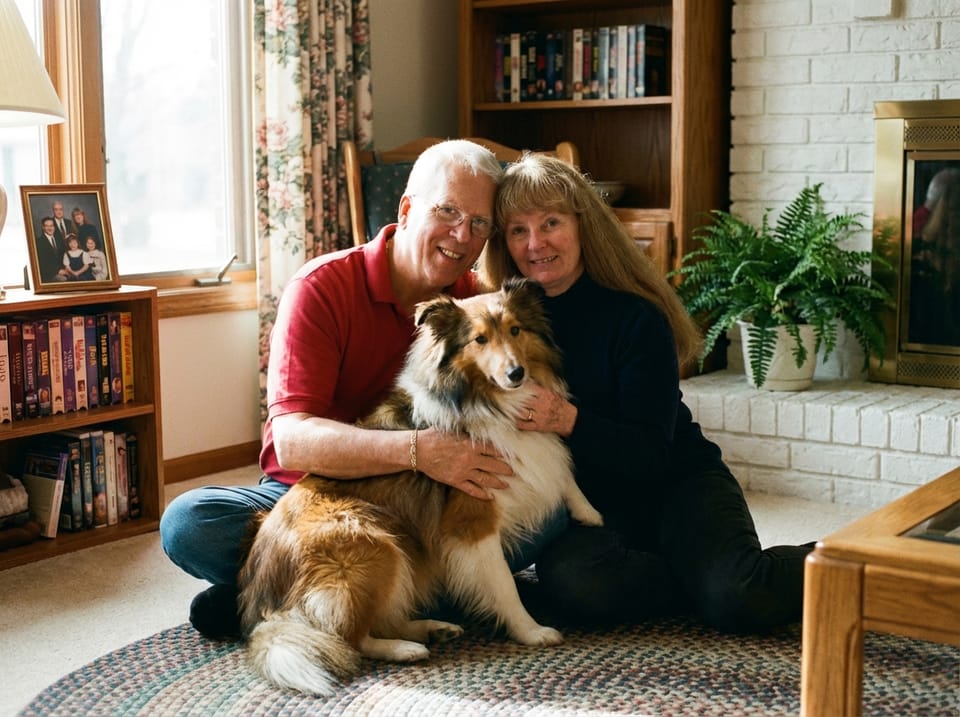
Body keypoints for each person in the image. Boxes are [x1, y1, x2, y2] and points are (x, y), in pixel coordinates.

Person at [160, 139, 519, 640]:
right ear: (407, 208)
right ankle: (340, 595)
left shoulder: (476, 305)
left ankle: (289, 600)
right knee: (189, 523)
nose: (462, 235)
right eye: (448, 211)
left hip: (419, 507)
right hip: (312, 497)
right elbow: (293, 441)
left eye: (480, 223)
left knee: (537, 524)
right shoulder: (322, 288)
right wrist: (418, 451)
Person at [478, 153, 814, 635]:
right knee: (574, 585)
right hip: (596, 504)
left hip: (676, 483)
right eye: (518, 230)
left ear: (582, 224)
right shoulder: (493, 323)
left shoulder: (636, 317)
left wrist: (569, 419)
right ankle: (696, 578)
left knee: (739, 597)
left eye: (551, 222)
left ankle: (847, 559)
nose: (536, 243)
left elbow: (651, 454)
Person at [34, 217, 68, 283]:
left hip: (62, 269)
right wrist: (58, 271)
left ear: (54, 227)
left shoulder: (59, 239)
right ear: (43, 227)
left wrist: (66, 268)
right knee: (64, 280)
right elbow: (42, 264)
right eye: (47, 226)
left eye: (51, 226)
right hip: (49, 274)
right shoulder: (39, 242)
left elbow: (63, 256)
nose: (50, 228)